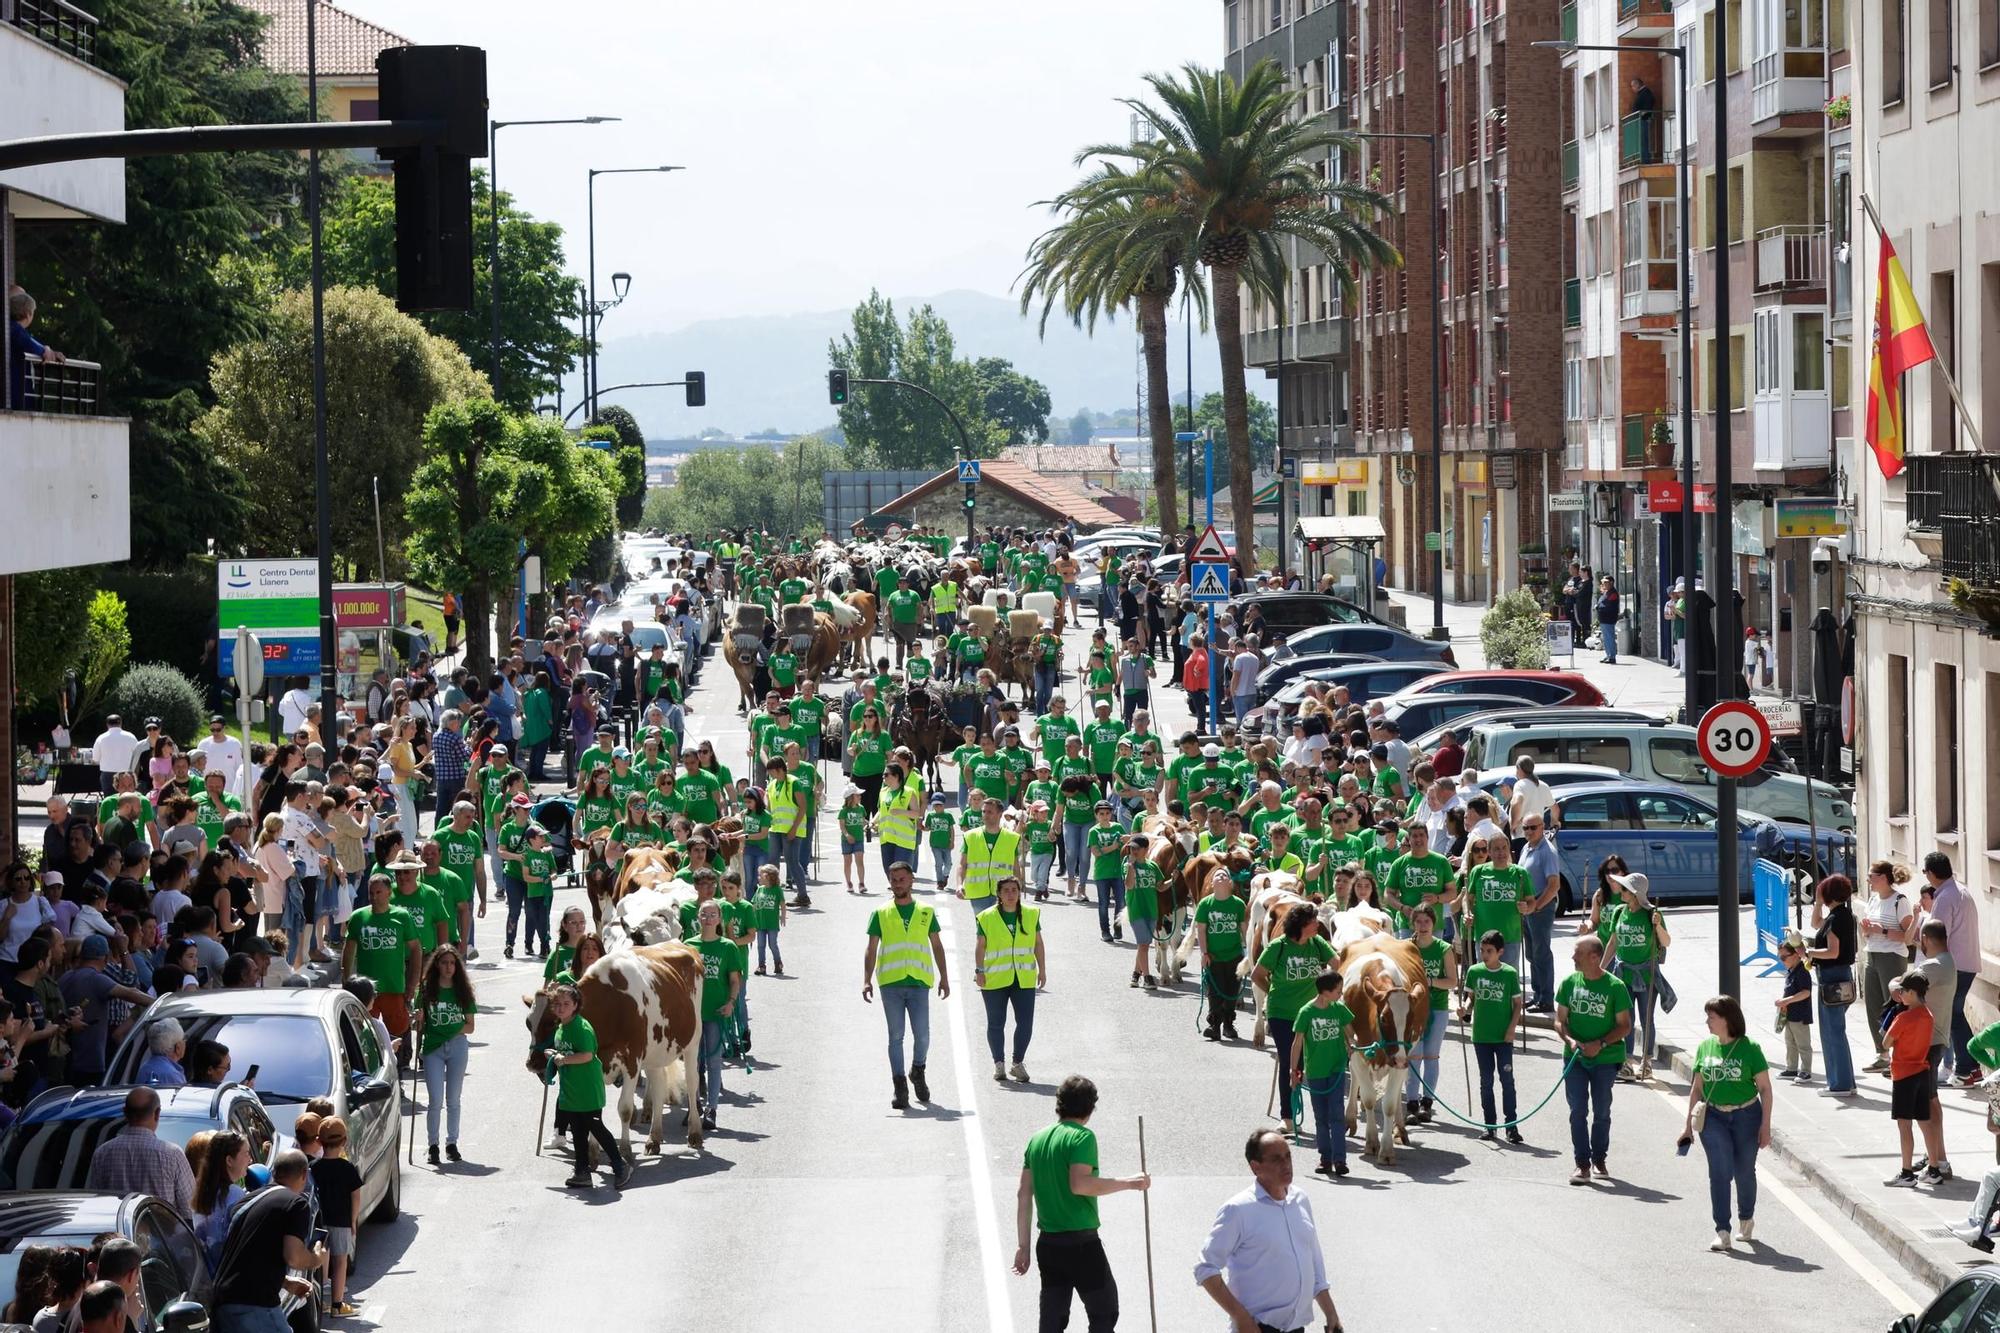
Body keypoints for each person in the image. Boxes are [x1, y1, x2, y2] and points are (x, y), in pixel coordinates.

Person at [1011, 1075, 1150, 1333]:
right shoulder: (1082, 1138)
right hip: (1082, 1245)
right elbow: (1080, 1184)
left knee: (1052, 1318)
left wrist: (1023, 1246)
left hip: (1048, 1244)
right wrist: (1130, 1182)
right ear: (1089, 1108)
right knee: (1104, 1312)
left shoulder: (1037, 1140)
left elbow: (1023, 1194)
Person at [1193, 1128, 1345, 1333]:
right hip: (1257, 1328)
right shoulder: (1238, 1210)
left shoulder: (1301, 1200)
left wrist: (1330, 1312)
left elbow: (1314, 1261)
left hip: (1295, 1327)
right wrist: (1241, 1318)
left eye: (1288, 1156)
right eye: (1276, 1159)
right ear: (1256, 1167)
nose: (1286, 1164)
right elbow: (1206, 1268)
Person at [1680, 994, 1773, 1251]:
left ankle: (1746, 1217)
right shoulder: (1705, 1047)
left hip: (1746, 1115)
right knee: (1719, 1173)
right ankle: (1722, 1230)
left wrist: (1765, 1126)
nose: (1707, 1021)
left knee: (1743, 1171)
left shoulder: (1750, 1049)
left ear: (1727, 1019)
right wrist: (1687, 1125)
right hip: (1714, 1118)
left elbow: (1765, 1089)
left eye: (1712, 1017)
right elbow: (1697, 1088)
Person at [862, 860, 950, 1111]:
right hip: (890, 982)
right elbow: (871, 948)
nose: (898, 883)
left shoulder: (925, 910)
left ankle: (918, 1070)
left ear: (911, 880)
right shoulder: (880, 913)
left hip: (919, 982)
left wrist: (944, 976)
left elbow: (937, 945)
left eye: (902, 879)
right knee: (896, 1036)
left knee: (922, 1034)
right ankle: (899, 1085)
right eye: (893, 879)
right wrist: (866, 979)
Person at [209, 1149, 325, 1333]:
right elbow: (294, 1256)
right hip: (254, 1305)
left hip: (223, 1304)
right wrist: (316, 1258)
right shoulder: (296, 1203)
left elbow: (248, 1257)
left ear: (274, 1172)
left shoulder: (245, 1203)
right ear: (304, 1174)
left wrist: (285, 1282)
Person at [1253, 903, 1334, 1136]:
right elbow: (1257, 974)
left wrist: (1326, 994)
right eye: (1312, 922)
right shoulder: (1279, 947)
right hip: (1282, 1014)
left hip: (1310, 1014)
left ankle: (1320, 1115)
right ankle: (1287, 1118)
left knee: (1308, 1065)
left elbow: (1337, 964)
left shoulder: (1317, 944)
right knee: (1291, 1065)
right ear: (1300, 925)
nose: (1317, 925)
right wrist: (1273, 994)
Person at [1557, 936, 1633, 1185]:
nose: (1572, 958)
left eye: (1577, 953)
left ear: (1594, 957)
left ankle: (1599, 1158)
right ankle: (1582, 1164)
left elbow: (1625, 1026)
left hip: (1605, 1058)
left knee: (1602, 1110)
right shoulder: (1569, 982)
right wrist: (1570, 1041)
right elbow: (1560, 1021)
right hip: (1575, 1057)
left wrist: (1599, 1044)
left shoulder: (1615, 986)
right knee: (1577, 1110)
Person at [541, 982, 632, 1189]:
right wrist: (554, 1057)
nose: (561, 1007)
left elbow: (587, 1055)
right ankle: (581, 1171)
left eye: (566, 1003)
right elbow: (566, 1054)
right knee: (578, 1132)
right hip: (571, 1091)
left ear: (575, 1005)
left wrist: (562, 1059)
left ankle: (620, 1166)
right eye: (558, 1004)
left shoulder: (581, 1028)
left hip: (588, 1090)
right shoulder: (560, 1029)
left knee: (595, 1127)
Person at [341, 873, 421, 1067]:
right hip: (365, 992)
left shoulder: (402, 916)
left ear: (389, 893)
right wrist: (346, 983)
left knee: (397, 1033)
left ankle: (398, 1074)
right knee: (366, 1034)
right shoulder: (359, 917)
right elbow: (349, 950)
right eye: (371, 893)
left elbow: (416, 949)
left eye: (379, 892)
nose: (374, 897)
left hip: (394, 987)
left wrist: (412, 983)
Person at [1599, 871, 1669, 1081]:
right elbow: (1613, 942)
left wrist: (1657, 926)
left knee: (1647, 1020)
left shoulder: (1652, 914)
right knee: (1626, 1020)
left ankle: (1646, 1063)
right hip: (1624, 975)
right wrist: (1601, 969)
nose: (1620, 890)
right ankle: (1627, 1062)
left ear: (1634, 893)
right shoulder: (1620, 912)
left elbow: (1665, 942)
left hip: (1647, 975)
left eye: (1625, 888)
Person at [85, 1087, 195, 1220]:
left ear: (125, 1113)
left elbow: (96, 1204)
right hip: (161, 1237)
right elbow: (190, 1210)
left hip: (117, 1236)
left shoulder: (102, 1153)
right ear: (157, 1113)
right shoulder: (172, 1155)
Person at [975, 876, 1045, 1084]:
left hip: (1023, 977)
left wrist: (1042, 970)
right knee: (996, 1023)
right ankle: (999, 1064)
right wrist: (979, 970)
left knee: (1025, 1023)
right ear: (999, 894)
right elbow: (980, 945)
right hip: (995, 978)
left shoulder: (1031, 914)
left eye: (1014, 890)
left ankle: (1017, 1062)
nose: (1011, 894)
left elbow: (1038, 944)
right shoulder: (986, 916)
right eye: (1006, 890)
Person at [1923, 852, 1982, 1086]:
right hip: (1965, 962)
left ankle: (1966, 1069)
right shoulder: (1960, 891)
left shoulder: (1946, 897)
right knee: (1956, 1015)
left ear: (1931, 873)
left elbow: (1935, 934)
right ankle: (1971, 1067)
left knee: (1952, 1016)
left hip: (1953, 965)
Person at [1290, 969, 1354, 1177]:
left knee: (1336, 1114)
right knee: (1321, 1117)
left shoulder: (1339, 1009)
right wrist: (1294, 1071)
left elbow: (1349, 1032)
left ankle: (1340, 1160)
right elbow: (1297, 1042)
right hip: (1316, 1071)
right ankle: (1325, 1158)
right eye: (1338, 991)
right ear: (1325, 992)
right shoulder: (1307, 1012)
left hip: (1336, 1069)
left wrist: (1350, 1043)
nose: (1341, 994)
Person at [1885, 972, 1946, 1188]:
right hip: (1922, 1070)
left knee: (1904, 1124)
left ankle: (1907, 1172)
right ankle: (1934, 1168)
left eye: (1902, 991)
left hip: (1903, 1074)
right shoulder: (1928, 1015)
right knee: (1925, 1122)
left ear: (1912, 993)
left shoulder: (1903, 1018)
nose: (1899, 994)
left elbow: (1885, 1042)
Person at [415, 944, 474, 1165]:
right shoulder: (426, 989)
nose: (449, 967)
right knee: (435, 1100)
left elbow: (470, 1026)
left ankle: (452, 1143)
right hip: (433, 1049)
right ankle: (433, 1145)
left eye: (452, 963)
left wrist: (449, 1029)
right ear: (437, 965)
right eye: (444, 963)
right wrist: (418, 1017)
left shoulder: (463, 990)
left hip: (457, 1047)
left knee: (453, 1099)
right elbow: (418, 1022)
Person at [1463, 930, 1524, 1143]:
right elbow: (1471, 999)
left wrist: (1511, 1029)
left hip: (1503, 1037)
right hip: (1481, 1036)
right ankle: (1490, 1125)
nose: (1484, 955)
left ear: (1500, 952)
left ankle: (1511, 1126)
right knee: (1485, 1081)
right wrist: (1465, 1009)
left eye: (1489, 951)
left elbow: (1517, 1005)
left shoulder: (1509, 974)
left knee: (1507, 1080)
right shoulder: (1474, 971)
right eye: (1482, 950)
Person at [690, 900, 744, 1131]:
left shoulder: (728, 946)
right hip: (692, 1014)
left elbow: (734, 980)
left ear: (719, 919)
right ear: (698, 917)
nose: (709, 918)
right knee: (693, 1064)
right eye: (704, 914)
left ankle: (712, 1108)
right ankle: (695, 1106)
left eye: (713, 914)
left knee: (713, 1060)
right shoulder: (688, 945)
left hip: (716, 1012)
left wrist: (731, 1002)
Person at [1806, 873, 1859, 1096]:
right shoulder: (1840, 915)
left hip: (1832, 977)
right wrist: (1818, 903)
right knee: (1835, 1030)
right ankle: (1845, 1081)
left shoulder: (1838, 919)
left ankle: (1840, 1084)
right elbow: (1815, 923)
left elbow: (1833, 951)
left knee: (1832, 1031)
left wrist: (1808, 952)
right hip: (1839, 975)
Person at [1860, 860, 1916, 1071]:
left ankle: (1900, 1052)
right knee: (1873, 1005)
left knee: (1893, 1006)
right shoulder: (1873, 899)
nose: (1868, 880)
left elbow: (1908, 937)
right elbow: (1867, 928)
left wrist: (1882, 930)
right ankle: (1881, 1053)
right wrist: (1866, 929)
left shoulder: (1899, 901)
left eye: (1871, 876)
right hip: (1872, 954)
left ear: (1883, 878)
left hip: (1892, 957)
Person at [1194, 867, 1250, 1043]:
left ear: (1230, 883)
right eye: (1217, 875)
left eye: (1224, 875)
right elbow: (1201, 930)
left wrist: (1248, 954)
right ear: (1212, 883)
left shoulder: (1238, 904)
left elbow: (1244, 929)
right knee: (1214, 992)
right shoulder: (1205, 904)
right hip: (1214, 956)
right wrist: (1204, 953)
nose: (1220, 877)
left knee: (1231, 991)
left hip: (1234, 955)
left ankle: (1228, 1024)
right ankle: (1214, 1025)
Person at [191, 1129, 250, 1269]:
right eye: (246, 1153)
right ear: (229, 1160)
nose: (250, 1159)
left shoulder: (202, 1193)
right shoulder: (234, 1195)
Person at [1774, 938, 1814, 1082]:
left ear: (1796, 954)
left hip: (1800, 1014)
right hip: (1790, 1014)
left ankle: (1806, 1071)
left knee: (1803, 1044)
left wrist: (1787, 1000)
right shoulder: (1791, 971)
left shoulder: (1802, 971)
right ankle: (1791, 1068)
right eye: (1780, 958)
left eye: (1784, 957)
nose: (1782, 960)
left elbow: (1806, 992)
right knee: (1790, 1042)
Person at [137, 1018, 188, 1088]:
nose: (185, 1042)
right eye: (184, 1039)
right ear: (178, 1047)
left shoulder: (144, 1068)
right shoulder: (171, 1075)